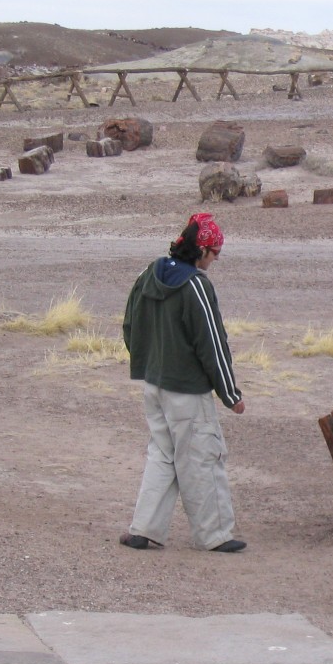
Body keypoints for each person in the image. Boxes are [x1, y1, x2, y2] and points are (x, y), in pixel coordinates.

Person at [120, 213, 246, 553]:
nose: (216, 259)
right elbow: (212, 342)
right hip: (187, 391)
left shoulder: (150, 273)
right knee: (202, 458)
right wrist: (230, 393)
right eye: (215, 252)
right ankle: (216, 535)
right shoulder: (197, 286)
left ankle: (142, 530)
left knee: (162, 455)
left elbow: (130, 323)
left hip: (154, 385)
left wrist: (148, 363)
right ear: (201, 250)